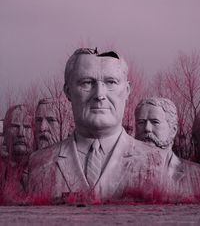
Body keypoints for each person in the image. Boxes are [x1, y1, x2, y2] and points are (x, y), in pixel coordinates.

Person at [28, 48, 168, 204]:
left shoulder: (157, 160)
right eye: (87, 82)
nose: (99, 95)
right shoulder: (39, 163)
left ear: (127, 90)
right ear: (68, 91)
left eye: (111, 82)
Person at [135, 97, 200, 202]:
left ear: (173, 130)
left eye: (155, 122)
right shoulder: (119, 172)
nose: (147, 128)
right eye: (141, 122)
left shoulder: (196, 175)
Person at [3, 104, 35, 203]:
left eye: (27, 127)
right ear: (4, 133)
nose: (21, 133)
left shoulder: (44, 170)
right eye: (14, 126)